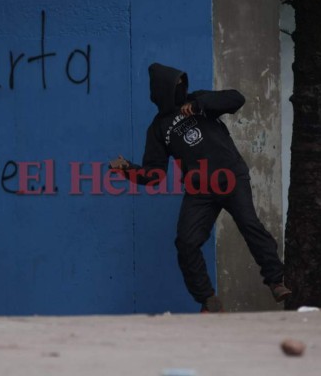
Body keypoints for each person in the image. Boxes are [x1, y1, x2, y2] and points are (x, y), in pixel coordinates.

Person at [109, 63, 291, 313]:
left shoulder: (198, 100)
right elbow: (154, 175)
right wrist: (127, 169)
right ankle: (208, 300)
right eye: (176, 85)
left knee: (249, 224)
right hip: (200, 189)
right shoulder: (158, 129)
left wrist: (199, 106)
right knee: (186, 242)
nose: (181, 88)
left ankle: (276, 280)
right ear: (163, 91)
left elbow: (236, 98)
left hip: (231, 176)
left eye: (182, 83)